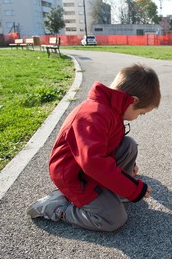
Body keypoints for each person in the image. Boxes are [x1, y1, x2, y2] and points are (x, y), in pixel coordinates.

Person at [26, 63, 161, 232]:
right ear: (133, 100)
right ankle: (58, 207)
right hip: (74, 176)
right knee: (114, 219)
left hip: (87, 168)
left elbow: (110, 144)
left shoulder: (111, 108)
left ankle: (117, 192)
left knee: (128, 145)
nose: (138, 117)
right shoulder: (92, 115)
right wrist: (133, 188)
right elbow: (93, 163)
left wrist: (128, 171)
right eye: (141, 113)